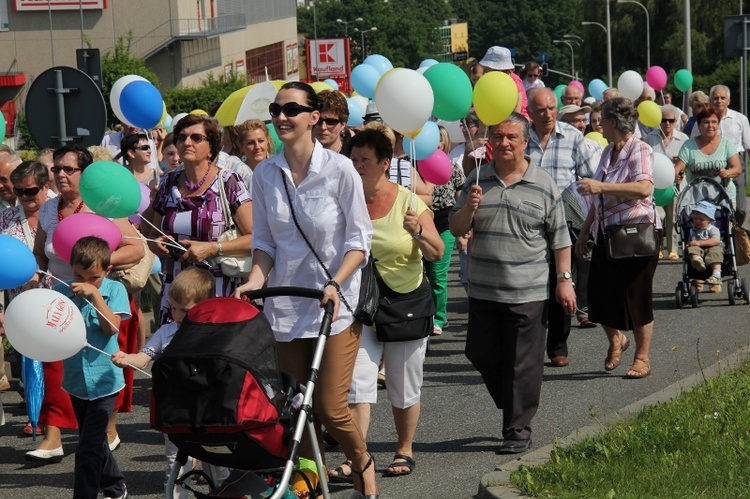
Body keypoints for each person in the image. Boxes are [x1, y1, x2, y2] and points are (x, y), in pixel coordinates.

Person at [233, 81, 377, 498]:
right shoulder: (264, 173)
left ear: (314, 117)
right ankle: (311, 481)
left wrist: (335, 282)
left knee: (331, 407)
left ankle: (361, 461)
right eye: (276, 110)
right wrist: (255, 281)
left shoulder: (339, 169)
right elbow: (264, 242)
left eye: (292, 109)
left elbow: (358, 241)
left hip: (335, 304)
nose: (281, 117)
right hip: (285, 306)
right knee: (297, 410)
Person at [450, 112, 575, 454]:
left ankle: (517, 429)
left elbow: (560, 239)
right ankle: (514, 398)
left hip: (529, 290)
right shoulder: (476, 179)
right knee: (480, 353)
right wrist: (469, 209)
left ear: (524, 142)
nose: (504, 143)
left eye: (511, 137)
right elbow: (458, 229)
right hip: (483, 289)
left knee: (524, 362)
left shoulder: (543, 184)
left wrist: (564, 280)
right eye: (499, 136)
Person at [329, 129, 443, 482]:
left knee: (403, 383)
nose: (358, 165)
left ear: (385, 163)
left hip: (402, 303)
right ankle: (357, 457)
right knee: (356, 384)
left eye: (366, 160)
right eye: (355, 159)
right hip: (358, 307)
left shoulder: (410, 202)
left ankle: (404, 448)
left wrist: (417, 232)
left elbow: (437, 252)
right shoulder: (341, 200)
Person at [26, 144, 144, 463]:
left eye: (69, 169)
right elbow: (41, 253)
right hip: (59, 300)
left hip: (101, 296)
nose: (61, 175)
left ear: (85, 173)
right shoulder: (49, 209)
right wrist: (35, 277)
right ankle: (53, 437)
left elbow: (136, 249)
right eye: (56, 169)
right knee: (55, 365)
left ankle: (108, 429)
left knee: (101, 364)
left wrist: (97, 266)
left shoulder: (102, 204)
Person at [575, 97, 662, 380]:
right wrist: (586, 229)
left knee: (637, 298)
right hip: (606, 233)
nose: (596, 124)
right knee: (597, 295)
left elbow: (644, 188)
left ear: (613, 123)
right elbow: (598, 197)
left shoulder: (640, 148)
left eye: (601, 120)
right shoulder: (608, 151)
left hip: (636, 233)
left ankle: (642, 357)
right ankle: (617, 340)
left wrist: (600, 185)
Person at [112, 266, 215, 499]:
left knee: (215, 458)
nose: (177, 315)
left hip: (207, 408)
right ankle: (177, 496)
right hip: (174, 408)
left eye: (185, 310)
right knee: (175, 458)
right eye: (173, 308)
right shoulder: (166, 332)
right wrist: (128, 359)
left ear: (204, 307)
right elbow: (144, 357)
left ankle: (226, 492)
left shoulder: (212, 333)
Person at [145, 114, 253, 326]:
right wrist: (156, 245)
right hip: (176, 292)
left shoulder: (229, 181)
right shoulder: (168, 182)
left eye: (196, 138)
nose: (187, 142)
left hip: (217, 289)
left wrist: (213, 248)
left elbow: (255, 238)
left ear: (212, 148)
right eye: (182, 137)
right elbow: (150, 233)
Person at [526, 87, 600, 364]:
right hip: (527, 223)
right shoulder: (522, 138)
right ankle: (530, 346)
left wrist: (584, 211)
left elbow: (592, 178)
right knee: (530, 285)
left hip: (562, 223)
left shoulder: (572, 137)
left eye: (552, 109)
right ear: (530, 112)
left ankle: (557, 346)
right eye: (541, 110)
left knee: (561, 280)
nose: (548, 115)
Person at [54, 236, 129, 498]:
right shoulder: (63, 291)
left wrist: (96, 295)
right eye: (78, 275)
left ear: (107, 271)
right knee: (94, 441)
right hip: (76, 380)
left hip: (104, 381)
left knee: (86, 449)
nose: (84, 283)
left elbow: (111, 329)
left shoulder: (115, 290)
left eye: (93, 277)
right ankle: (115, 485)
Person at [0, 161, 53, 406]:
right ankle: (36, 408)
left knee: (57, 357)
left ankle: (55, 407)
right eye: (19, 191)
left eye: (30, 191)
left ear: (46, 186)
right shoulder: (5, 217)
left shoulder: (60, 211)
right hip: (20, 301)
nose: (24, 197)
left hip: (57, 298)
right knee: (28, 356)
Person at [690, 85, 750, 225]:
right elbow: (692, 143)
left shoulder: (740, 119)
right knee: (711, 207)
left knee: (740, 208)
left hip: (735, 164)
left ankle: (735, 233)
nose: (719, 101)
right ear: (710, 100)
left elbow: (748, 145)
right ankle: (717, 236)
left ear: (728, 101)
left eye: (723, 98)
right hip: (709, 165)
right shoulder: (701, 120)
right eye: (715, 98)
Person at [426, 126, 465, 335]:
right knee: (424, 275)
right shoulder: (417, 165)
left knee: (438, 276)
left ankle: (439, 318)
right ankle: (425, 314)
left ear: (445, 143)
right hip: (424, 225)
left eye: (439, 140)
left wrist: (463, 232)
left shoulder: (453, 168)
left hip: (446, 226)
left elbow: (460, 200)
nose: (436, 144)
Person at [644, 104, 689, 260]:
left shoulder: (683, 138)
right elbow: (646, 160)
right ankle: (656, 247)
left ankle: (672, 249)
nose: (667, 123)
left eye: (671, 120)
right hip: (655, 184)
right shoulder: (651, 137)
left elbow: (688, 161)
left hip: (675, 184)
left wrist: (681, 166)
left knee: (673, 217)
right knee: (656, 217)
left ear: (676, 121)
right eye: (664, 120)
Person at [675, 108, 742, 206]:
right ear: (698, 125)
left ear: (718, 125)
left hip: (724, 198)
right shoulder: (688, 145)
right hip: (696, 198)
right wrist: (677, 176)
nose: (710, 126)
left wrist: (727, 172)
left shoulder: (727, 143)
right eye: (706, 122)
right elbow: (678, 169)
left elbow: (737, 168)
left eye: (714, 122)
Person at [686, 200, 724, 293]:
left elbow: (715, 240)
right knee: (692, 248)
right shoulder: (692, 230)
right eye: (695, 218)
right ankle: (697, 261)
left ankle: (716, 275)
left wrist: (699, 243)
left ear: (710, 220)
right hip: (698, 252)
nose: (697, 221)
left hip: (712, 247)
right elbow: (690, 241)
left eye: (701, 219)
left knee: (716, 253)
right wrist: (689, 244)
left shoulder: (712, 229)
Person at [479, 46, 527, 117]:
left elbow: (518, 109)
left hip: (517, 119)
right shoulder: (492, 79)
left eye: (488, 68)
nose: (486, 70)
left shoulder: (514, 81)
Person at [314, 89, 350, 155]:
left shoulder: (353, 156)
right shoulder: (300, 156)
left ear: (343, 124)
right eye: (318, 121)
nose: (323, 127)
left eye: (330, 122)